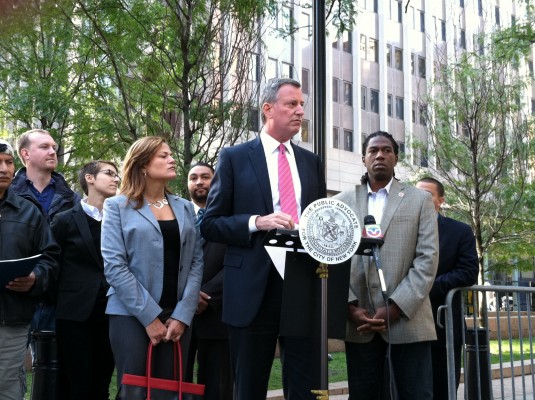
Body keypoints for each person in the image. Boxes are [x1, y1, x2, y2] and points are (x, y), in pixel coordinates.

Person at [201, 77, 327, 400]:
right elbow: (211, 224)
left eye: (302, 105)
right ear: (268, 109)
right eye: (292, 104)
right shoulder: (235, 157)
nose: (300, 111)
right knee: (249, 388)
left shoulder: (311, 163)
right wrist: (257, 221)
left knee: (306, 388)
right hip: (253, 286)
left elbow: (319, 219)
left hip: (302, 282)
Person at [333, 131, 439, 400]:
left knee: (416, 394)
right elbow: (331, 259)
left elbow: (427, 259)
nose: (380, 155)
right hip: (360, 322)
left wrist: (396, 307)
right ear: (363, 158)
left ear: (396, 158)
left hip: (408, 320)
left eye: (387, 150)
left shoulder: (420, 200)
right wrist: (349, 306)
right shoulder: (340, 203)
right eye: (373, 151)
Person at [101, 136, 203, 397]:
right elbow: (115, 266)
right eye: (163, 156)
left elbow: (195, 261)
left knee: (172, 391)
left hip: (177, 316)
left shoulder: (184, 207)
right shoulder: (117, 206)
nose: (172, 159)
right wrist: (149, 316)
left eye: (171, 154)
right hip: (130, 315)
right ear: (143, 164)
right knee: (136, 392)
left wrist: (183, 313)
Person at [50, 161, 121, 400]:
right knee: (75, 383)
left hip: (112, 311)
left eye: (117, 175)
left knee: (102, 381)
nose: (116, 179)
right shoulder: (64, 220)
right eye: (109, 173)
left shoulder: (121, 218)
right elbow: (52, 265)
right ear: (90, 179)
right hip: (73, 313)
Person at [0, 139, 59, 400]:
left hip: (11, 318)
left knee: (7, 384)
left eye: (8, 163)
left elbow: (50, 257)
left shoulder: (29, 212)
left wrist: (35, 279)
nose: (4, 169)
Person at [11, 129, 80, 339]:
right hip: (14, 295)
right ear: (25, 154)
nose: (52, 152)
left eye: (54, 147)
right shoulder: (8, 195)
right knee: (10, 369)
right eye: (44, 147)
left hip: (59, 295)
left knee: (54, 368)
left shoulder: (72, 199)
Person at [416, 177, 479, 400]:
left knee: (442, 387)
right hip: (405, 321)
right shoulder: (401, 229)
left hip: (443, 324)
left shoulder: (460, 231)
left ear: (440, 200)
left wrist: (424, 287)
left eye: (427, 195)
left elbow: (468, 271)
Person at [185, 162, 233, 400]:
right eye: (193, 178)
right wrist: (187, 294)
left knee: (217, 387)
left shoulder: (231, 217)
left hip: (217, 312)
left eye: (206, 177)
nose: (199, 182)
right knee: (177, 383)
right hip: (178, 312)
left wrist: (206, 295)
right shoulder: (175, 215)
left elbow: (236, 262)